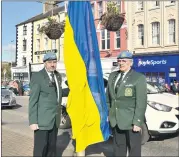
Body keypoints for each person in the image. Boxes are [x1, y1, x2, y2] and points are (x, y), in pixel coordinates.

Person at [106, 50, 147, 157]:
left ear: (131, 63)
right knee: (118, 149)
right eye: (119, 60)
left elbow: (141, 102)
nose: (121, 63)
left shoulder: (138, 78)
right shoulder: (112, 76)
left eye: (124, 60)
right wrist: (108, 114)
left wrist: (138, 122)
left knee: (134, 150)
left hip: (131, 121)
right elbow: (109, 98)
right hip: (116, 120)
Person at [28, 52, 63, 157]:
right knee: (40, 149)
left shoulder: (57, 75)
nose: (52, 64)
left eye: (54, 62)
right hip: (42, 122)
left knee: (51, 149)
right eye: (50, 62)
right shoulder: (38, 76)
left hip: (55, 120)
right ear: (45, 63)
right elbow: (33, 100)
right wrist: (33, 121)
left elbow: (57, 93)